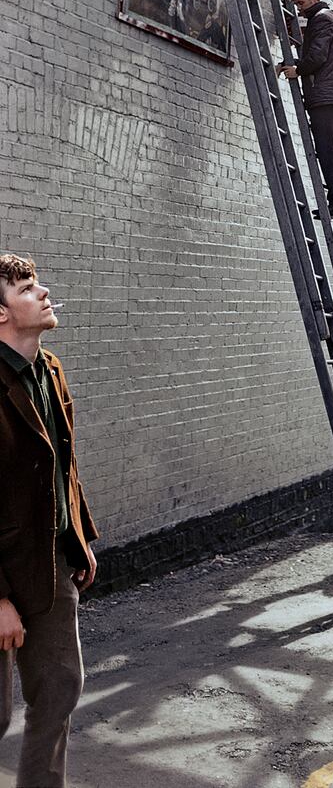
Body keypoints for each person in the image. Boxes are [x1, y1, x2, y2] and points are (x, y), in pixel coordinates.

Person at [0, 254, 99, 788]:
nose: (42, 294)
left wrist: (80, 537)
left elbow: (65, 462)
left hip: (52, 560)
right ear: (0, 315)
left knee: (60, 688)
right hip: (1, 570)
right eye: (27, 289)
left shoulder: (49, 368)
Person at [277, 0, 333, 218]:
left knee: (326, 151)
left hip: (325, 96)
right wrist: (294, 65)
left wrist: (297, 70)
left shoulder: (321, 19)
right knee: (327, 150)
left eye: (301, 3)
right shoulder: (326, 19)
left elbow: (317, 56)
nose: (299, 9)